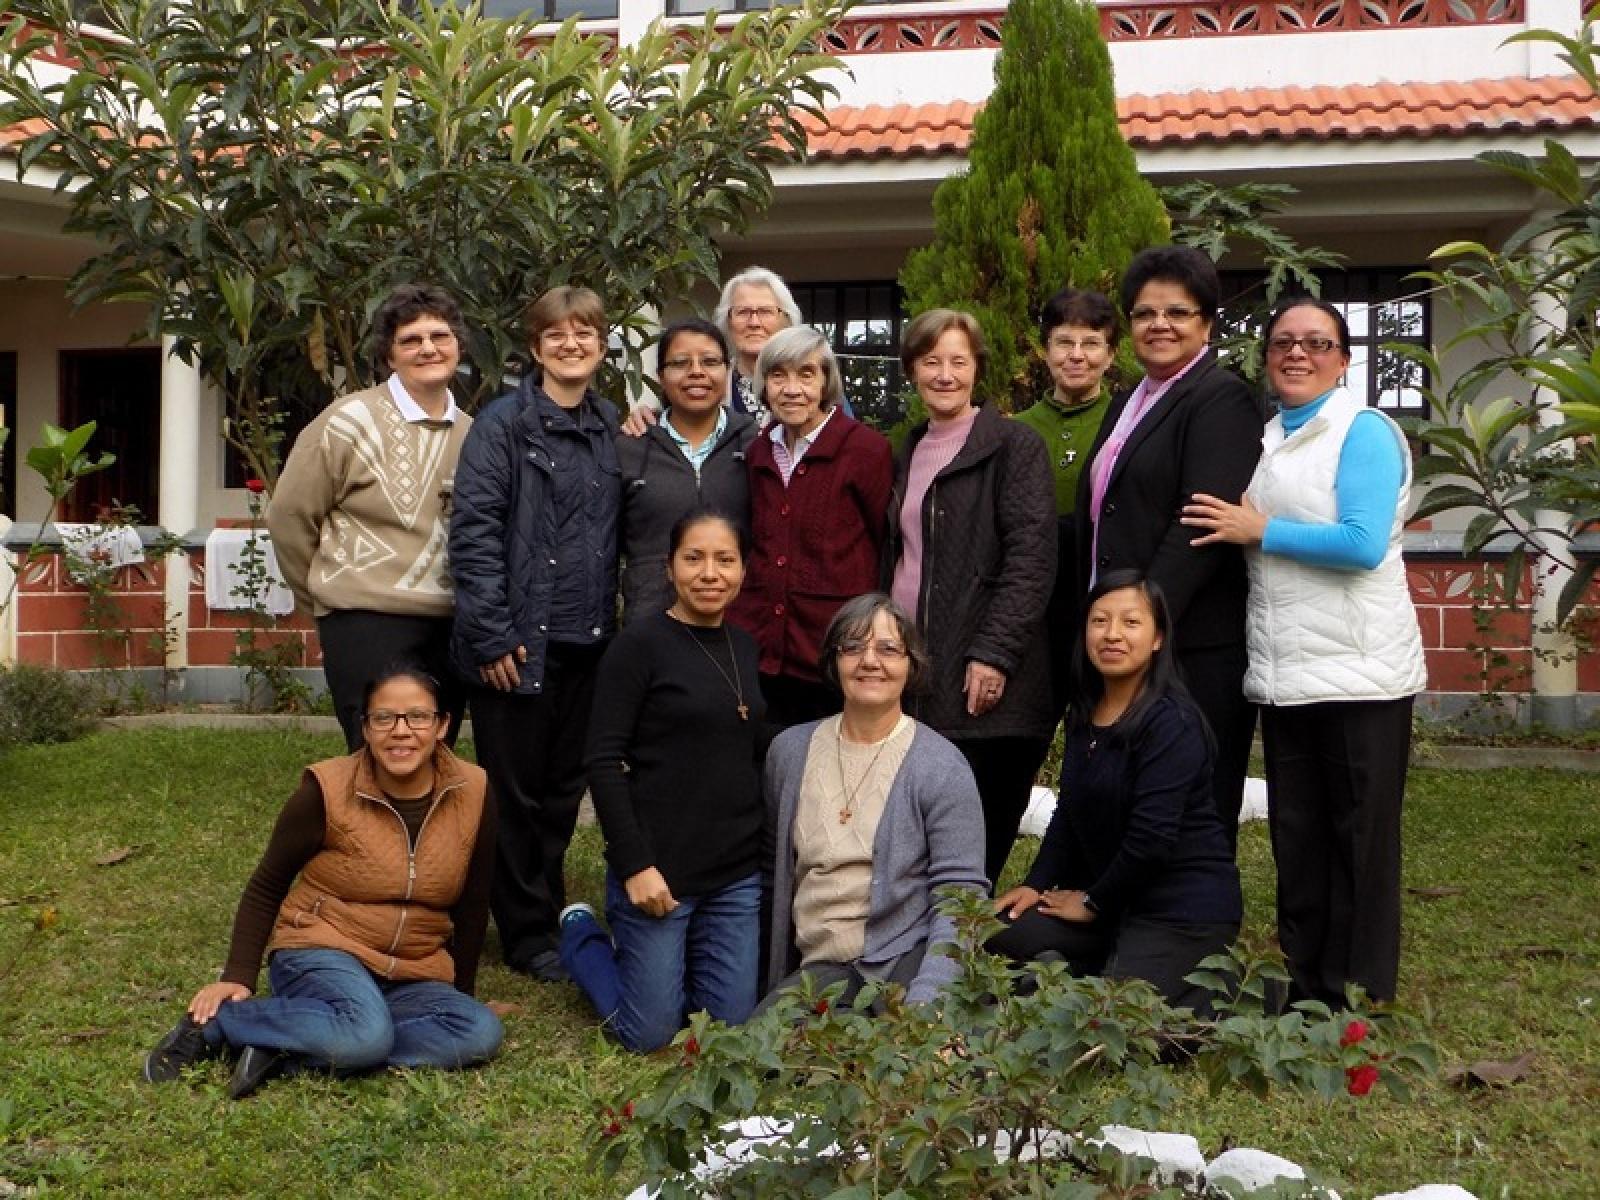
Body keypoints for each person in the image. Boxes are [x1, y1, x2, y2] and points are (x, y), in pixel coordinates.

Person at [1181, 297, 1426, 1007]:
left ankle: (1357, 989)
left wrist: (1259, 529)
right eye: (1283, 342)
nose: (1298, 353)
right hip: (1285, 674)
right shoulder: (1265, 439)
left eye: (1317, 342)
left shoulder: (1364, 431)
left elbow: (1360, 542)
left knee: (1359, 838)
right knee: (1299, 836)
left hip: (1362, 675)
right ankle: (1304, 979)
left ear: (1343, 360)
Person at [142, 666, 501, 1099]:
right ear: (365, 728)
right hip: (324, 946)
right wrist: (238, 975)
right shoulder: (326, 788)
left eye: (418, 718)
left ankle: (287, 1044)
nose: (401, 732)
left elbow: (474, 899)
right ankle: (219, 1026)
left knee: (478, 1032)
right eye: (384, 718)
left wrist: (461, 994)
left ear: (442, 725)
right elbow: (267, 883)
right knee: (366, 1034)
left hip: (412, 966)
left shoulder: (474, 789)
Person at [448, 285, 621, 984]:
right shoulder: (502, 426)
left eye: (584, 333)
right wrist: (491, 636)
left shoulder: (613, 427)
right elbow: (475, 533)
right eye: (556, 334)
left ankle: (544, 909)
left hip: (590, 645)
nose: (570, 344)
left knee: (561, 792)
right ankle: (522, 933)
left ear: (602, 345)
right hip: (518, 645)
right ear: (536, 345)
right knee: (512, 793)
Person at [1077, 245, 1266, 847]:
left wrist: (1141, 622)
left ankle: (1191, 928)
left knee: (1190, 797)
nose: (1159, 324)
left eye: (1177, 313)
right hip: (1133, 636)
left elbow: (1200, 525)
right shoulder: (1129, 401)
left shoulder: (1220, 399)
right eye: (1145, 313)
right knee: (1128, 793)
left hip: (1189, 642)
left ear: (1207, 323)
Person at [559, 509, 766, 1052]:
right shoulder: (638, 646)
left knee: (724, 1035)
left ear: (743, 570)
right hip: (659, 876)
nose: (709, 573)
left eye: (725, 559)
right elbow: (602, 760)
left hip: (734, 878)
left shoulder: (745, 648)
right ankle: (582, 935)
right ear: (669, 568)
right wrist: (635, 866)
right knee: (649, 1034)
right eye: (693, 558)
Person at [987, 573, 1242, 1011]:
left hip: (1178, 910)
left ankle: (1222, 990)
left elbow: (1151, 841)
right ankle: (1097, 971)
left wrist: (1093, 901)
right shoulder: (1085, 712)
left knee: (1117, 1025)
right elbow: (1069, 813)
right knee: (1002, 933)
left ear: (1158, 638)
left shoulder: (1171, 723)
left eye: (1131, 623)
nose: (1112, 634)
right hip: (1115, 904)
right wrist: (1036, 884)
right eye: (1100, 621)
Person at [885, 308, 1057, 886]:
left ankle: (960, 959)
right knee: (919, 834)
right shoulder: (906, 452)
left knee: (974, 842)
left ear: (978, 368)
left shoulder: (1013, 445)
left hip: (985, 682)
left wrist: (995, 653)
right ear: (912, 370)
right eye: (931, 360)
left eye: (959, 360)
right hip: (916, 672)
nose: (945, 374)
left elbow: (1031, 558)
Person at [267, 283, 472, 749]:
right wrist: (323, 595)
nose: (428, 349)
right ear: (389, 355)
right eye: (410, 340)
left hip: (449, 625)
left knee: (436, 759)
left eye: (439, 336)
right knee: (378, 758)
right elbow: (290, 517)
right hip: (366, 620)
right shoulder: (348, 421)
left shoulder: (476, 435)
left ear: (458, 346)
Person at [763, 593, 987, 1009]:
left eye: (888, 649)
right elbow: (771, 875)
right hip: (820, 972)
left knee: (898, 1065)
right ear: (834, 661)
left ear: (911, 664)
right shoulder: (789, 752)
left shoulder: (941, 766)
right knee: (759, 1064)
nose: (870, 661)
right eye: (852, 647)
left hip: (905, 961)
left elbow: (962, 899)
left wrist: (930, 999)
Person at [730, 325, 893, 727]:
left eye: (806, 374)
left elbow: (884, 544)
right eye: (778, 375)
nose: (791, 388)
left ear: (826, 383)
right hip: (764, 652)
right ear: (764, 385)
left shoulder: (866, 451)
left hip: (832, 653)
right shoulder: (758, 452)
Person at [1014, 287, 1120, 713]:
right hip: (1033, 605)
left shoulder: (1126, 424)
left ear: (1111, 355)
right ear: (1045, 351)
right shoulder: (1014, 431)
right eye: (1064, 343)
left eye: (1092, 344)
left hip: (1096, 596)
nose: (1077, 356)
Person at [616, 318, 757, 625]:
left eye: (709, 361)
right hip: (650, 628)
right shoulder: (629, 448)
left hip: (738, 627)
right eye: (680, 363)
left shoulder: (757, 444)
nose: (696, 372)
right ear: (661, 377)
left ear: (727, 370)